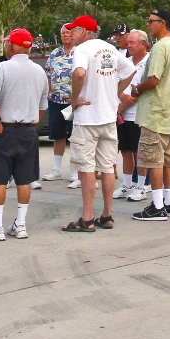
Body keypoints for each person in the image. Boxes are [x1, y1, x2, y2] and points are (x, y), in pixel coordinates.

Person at [63, 16, 134, 232]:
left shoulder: (82, 50)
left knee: (86, 168)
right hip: (108, 117)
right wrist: (114, 92)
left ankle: (87, 218)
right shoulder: (109, 48)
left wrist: (75, 98)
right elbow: (130, 70)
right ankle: (107, 214)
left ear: (84, 31)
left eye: (74, 30)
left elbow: (79, 73)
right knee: (107, 167)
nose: (71, 34)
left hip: (88, 117)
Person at [0, 28, 49, 240]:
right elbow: (42, 104)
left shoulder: (2, 67)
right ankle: (21, 224)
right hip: (27, 130)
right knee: (24, 180)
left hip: (5, 128)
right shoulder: (39, 71)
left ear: (11, 45)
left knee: (0, 179)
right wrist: (32, 122)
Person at [131, 9, 170, 221]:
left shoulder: (161, 46)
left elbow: (153, 79)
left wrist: (137, 88)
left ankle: (156, 206)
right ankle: (168, 201)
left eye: (151, 21)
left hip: (156, 112)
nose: (148, 24)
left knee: (153, 160)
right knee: (167, 161)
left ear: (163, 23)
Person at [117, 29, 151, 202]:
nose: (128, 45)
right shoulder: (125, 62)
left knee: (140, 152)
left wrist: (123, 105)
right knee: (125, 150)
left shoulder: (149, 62)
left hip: (139, 114)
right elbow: (117, 83)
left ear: (143, 44)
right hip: (124, 114)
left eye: (132, 42)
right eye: (128, 42)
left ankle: (141, 186)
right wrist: (120, 96)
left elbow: (142, 88)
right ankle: (127, 184)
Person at [42, 24, 77, 185]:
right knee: (58, 135)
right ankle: (56, 169)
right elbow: (48, 75)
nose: (65, 35)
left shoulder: (80, 52)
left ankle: (76, 172)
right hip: (56, 101)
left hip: (74, 102)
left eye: (68, 32)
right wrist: (49, 94)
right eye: (63, 33)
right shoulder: (55, 54)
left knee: (76, 138)